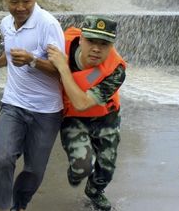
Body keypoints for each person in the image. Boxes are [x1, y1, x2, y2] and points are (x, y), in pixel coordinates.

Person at [0, 0, 65, 211]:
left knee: (33, 171)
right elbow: (11, 50)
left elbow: (62, 71)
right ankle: (2, 205)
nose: (20, 7)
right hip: (13, 104)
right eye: (14, 2)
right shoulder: (6, 23)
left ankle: (20, 203)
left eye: (26, 1)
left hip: (46, 111)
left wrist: (33, 60)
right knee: (3, 158)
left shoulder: (48, 25)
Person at [47, 16, 127, 211]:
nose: (96, 49)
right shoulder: (62, 42)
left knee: (106, 167)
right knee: (83, 166)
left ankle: (94, 191)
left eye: (104, 44)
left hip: (106, 117)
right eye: (91, 41)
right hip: (73, 118)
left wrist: (63, 69)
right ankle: (78, 171)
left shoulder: (116, 69)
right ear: (81, 39)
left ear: (111, 46)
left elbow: (82, 103)